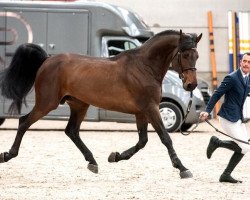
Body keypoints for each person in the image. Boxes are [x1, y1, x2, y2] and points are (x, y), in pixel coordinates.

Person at [199, 52, 250, 183]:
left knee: (245, 147)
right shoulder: (232, 78)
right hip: (228, 117)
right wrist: (207, 111)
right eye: (244, 61)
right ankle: (217, 143)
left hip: (238, 118)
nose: (246, 64)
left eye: (249, 62)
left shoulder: (248, 78)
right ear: (240, 62)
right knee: (245, 146)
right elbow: (217, 94)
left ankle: (226, 175)